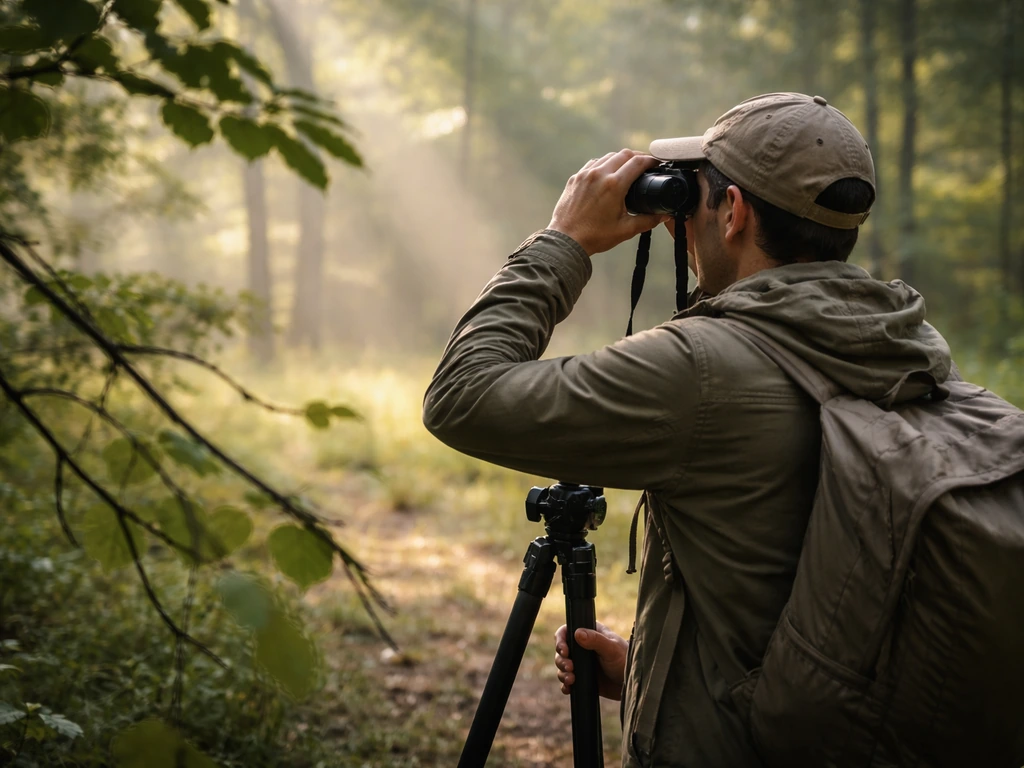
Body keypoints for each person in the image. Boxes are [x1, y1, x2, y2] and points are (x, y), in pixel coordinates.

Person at [422, 92, 952, 767]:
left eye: (695, 193)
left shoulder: (704, 369)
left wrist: (564, 243)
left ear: (733, 213)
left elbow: (461, 396)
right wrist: (652, 672)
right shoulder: (906, 346)